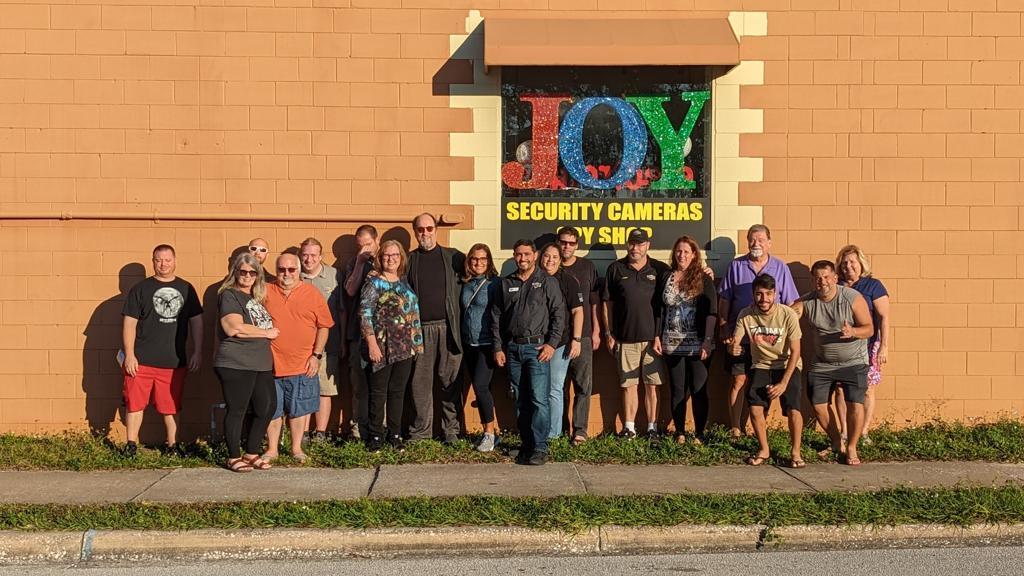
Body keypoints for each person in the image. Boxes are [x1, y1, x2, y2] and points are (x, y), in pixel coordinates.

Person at [120, 244, 203, 458]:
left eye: (167, 260)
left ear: (175, 261)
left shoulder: (186, 288)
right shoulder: (140, 289)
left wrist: (197, 351)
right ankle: (131, 445)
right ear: (153, 262)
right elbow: (129, 323)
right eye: (158, 260)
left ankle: (172, 446)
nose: (163, 264)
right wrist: (130, 354)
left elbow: (196, 322)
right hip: (141, 361)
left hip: (173, 362)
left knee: (171, 406)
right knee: (134, 404)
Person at [717, 224, 799, 439]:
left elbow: (792, 303)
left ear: (769, 243)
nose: (756, 244)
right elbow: (724, 299)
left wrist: (788, 331)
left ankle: (757, 430)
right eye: (752, 240)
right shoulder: (736, 266)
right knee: (739, 380)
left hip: (769, 341)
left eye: (761, 240)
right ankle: (736, 428)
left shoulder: (780, 268)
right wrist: (724, 326)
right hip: (741, 335)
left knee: (762, 384)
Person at [792, 260, 874, 466]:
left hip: (853, 361)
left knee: (855, 404)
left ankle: (852, 447)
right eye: (818, 278)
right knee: (819, 405)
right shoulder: (807, 301)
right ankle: (837, 441)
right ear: (813, 281)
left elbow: (869, 328)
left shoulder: (852, 298)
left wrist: (853, 331)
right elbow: (790, 315)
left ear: (835, 278)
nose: (823, 282)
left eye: (827, 277)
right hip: (822, 363)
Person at [491, 239, 565, 465]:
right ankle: (527, 445)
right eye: (518, 254)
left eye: (526, 254)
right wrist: (498, 347)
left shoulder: (547, 282)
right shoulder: (506, 283)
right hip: (513, 349)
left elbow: (559, 314)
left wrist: (552, 344)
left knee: (539, 400)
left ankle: (540, 447)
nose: (522, 258)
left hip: (537, 349)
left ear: (535, 255)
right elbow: (496, 317)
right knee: (520, 399)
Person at [262, 253, 334, 462]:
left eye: (291, 269)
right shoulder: (265, 291)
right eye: (282, 269)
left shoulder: (311, 293)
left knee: (299, 410)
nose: (286, 274)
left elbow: (324, 326)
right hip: (271, 365)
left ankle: (296, 449)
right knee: (272, 410)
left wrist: (316, 355)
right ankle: (272, 450)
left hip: (303, 364)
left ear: (298, 270)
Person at [213, 253, 279, 472]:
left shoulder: (256, 297)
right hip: (236, 361)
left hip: (260, 362)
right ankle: (233, 456)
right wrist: (266, 332)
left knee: (267, 407)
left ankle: (251, 452)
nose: (248, 276)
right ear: (235, 272)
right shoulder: (229, 295)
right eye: (243, 271)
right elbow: (233, 327)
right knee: (237, 409)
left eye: (253, 272)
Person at [602, 229, 670, 439]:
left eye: (640, 244)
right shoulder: (615, 269)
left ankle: (652, 428)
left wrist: (706, 272)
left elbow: (679, 282)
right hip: (625, 338)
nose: (635, 248)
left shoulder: (659, 269)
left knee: (652, 385)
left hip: (653, 339)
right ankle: (629, 428)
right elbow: (607, 303)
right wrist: (608, 333)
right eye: (632, 243)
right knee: (628, 385)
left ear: (648, 245)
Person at [731, 274, 804, 467]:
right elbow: (735, 342)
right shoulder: (746, 314)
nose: (764, 299)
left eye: (768, 294)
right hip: (761, 365)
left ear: (776, 294)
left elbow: (796, 351)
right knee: (755, 407)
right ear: (753, 295)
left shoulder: (787, 314)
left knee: (794, 408)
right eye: (759, 294)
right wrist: (733, 348)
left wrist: (783, 383)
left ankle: (796, 453)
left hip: (787, 364)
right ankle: (764, 449)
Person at [359, 240, 424, 452]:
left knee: (397, 392)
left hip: (404, 347)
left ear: (401, 257)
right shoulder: (374, 282)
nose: (391, 259)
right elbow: (365, 314)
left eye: (395, 255)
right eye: (387, 255)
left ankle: (395, 435)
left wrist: (416, 344)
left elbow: (412, 313)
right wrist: (371, 344)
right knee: (378, 393)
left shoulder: (404, 280)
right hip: (381, 346)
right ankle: (375, 436)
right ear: (380, 257)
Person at [406, 213, 465, 443]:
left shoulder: (453, 257)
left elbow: (477, 275)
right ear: (415, 232)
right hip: (420, 330)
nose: (425, 233)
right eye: (420, 229)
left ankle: (451, 430)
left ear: (436, 230)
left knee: (450, 380)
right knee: (420, 383)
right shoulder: (409, 260)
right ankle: (421, 432)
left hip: (449, 328)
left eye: (429, 228)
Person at [654, 236, 717, 444]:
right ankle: (680, 431)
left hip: (698, 344)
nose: (682, 255)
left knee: (698, 388)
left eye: (686, 252)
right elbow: (659, 309)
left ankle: (699, 433)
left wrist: (707, 340)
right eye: (679, 251)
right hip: (671, 343)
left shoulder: (703, 277)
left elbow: (712, 312)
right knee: (677, 389)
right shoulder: (666, 276)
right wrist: (657, 336)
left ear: (694, 255)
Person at [834, 245, 890, 444]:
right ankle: (844, 432)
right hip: (841, 346)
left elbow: (884, 318)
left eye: (853, 262)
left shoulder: (873, 286)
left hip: (867, 345)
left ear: (861, 264)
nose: (848, 266)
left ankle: (863, 432)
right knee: (840, 389)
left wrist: (884, 346)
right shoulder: (836, 286)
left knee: (867, 389)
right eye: (844, 263)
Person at [556, 226, 601, 445]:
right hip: (556, 338)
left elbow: (594, 301)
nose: (567, 246)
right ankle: (561, 429)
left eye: (571, 243)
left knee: (583, 385)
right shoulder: (550, 266)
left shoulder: (587, 267)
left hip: (582, 335)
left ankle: (580, 430)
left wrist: (596, 330)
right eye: (563, 242)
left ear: (577, 245)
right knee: (558, 387)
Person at [299, 237, 343, 442]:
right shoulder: (295, 276)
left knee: (325, 390)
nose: (309, 259)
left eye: (313, 255)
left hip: (329, 343)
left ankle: (321, 433)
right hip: (302, 345)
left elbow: (342, 310)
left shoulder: (334, 275)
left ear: (321, 256)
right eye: (305, 255)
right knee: (304, 389)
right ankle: (303, 433)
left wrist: (342, 340)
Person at [539, 243, 583, 440]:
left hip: (560, 344)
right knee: (538, 390)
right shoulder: (534, 278)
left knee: (554, 389)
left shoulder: (568, 281)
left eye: (554, 257)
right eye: (547, 256)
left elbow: (578, 311)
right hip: (536, 343)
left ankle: (553, 435)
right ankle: (537, 432)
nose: (550, 260)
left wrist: (576, 339)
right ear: (540, 257)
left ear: (560, 260)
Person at [460, 243, 501, 452]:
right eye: (475, 259)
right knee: (480, 388)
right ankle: (486, 432)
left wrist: (498, 345)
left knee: (480, 386)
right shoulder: (466, 283)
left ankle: (489, 434)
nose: (479, 263)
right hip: (469, 344)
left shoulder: (495, 283)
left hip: (487, 344)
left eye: (483, 259)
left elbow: (500, 314)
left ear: (489, 261)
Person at [340, 224, 379, 440]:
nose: (364, 249)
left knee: (381, 385)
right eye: (360, 245)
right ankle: (359, 427)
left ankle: (379, 427)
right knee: (359, 384)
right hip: (357, 333)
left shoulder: (388, 258)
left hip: (383, 334)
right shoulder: (354, 263)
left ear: (377, 240)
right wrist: (360, 263)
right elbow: (350, 290)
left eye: (368, 244)